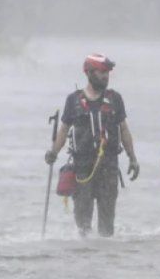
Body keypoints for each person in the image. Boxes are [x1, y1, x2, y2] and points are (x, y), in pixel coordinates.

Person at [45, 53, 141, 237]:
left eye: (107, 72)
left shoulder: (115, 99)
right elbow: (64, 130)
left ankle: (105, 258)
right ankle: (85, 259)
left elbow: (124, 130)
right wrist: (53, 153)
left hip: (109, 168)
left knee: (107, 227)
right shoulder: (73, 100)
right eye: (101, 72)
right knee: (83, 226)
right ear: (89, 73)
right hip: (82, 170)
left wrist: (133, 159)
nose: (105, 76)